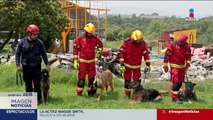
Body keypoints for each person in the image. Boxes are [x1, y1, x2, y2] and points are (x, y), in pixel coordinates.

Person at [16, 24, 50, 104]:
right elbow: (18, 54)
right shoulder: (22, 42)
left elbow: (44, 54)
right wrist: (18, 65)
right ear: (29, 34)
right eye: (34, 34)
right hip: (26, 67)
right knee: (28, 85)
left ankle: (37, 100)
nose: (36, 36)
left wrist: (47, 64)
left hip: (36, 67)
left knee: (37, 84)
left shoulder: (40, 43)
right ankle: (29, 100)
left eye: (36, 34)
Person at [73, 23, 103, 96]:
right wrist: (75, 60)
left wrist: (98, 53)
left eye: (91, 33)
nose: (90, 34)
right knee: (81, 78)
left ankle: (91, 93)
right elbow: (76, 49)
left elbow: (101, 45)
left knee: (92, 78)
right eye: (89, 33)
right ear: (86, 31)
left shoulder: (95, 38)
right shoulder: (80, 38)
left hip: (92, 62)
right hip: (83, 62)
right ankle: (79, 93)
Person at [119, 30, 151, 99]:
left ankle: (136, 94)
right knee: (127, 80)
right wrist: (121, 65)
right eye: (137, 40)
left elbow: (146, 54)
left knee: (136, 81)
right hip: (127, 65)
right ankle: (127, 95)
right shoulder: (126, 42)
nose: (138, 42)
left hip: (137, 66)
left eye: (139, 40)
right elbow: (122, 53)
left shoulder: (142, 43)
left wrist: (148, 64)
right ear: (133, 38)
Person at [163, 34, 191, 104]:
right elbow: (167, 56)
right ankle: (174, 99)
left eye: (181, 42)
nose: (179, 43)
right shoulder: (172, 45)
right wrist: (165, 66)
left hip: (182, 67)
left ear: (184, 42)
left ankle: (177, 96)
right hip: (174, 67)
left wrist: (187, 64)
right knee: (176, 83)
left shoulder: (187, 46)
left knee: (180, 82)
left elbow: (188, 55)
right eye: (178, 41)